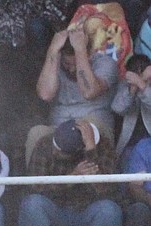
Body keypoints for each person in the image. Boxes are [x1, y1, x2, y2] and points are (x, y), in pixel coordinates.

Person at [28, 25, 120, 162]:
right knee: (36, 133)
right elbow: (45, 94)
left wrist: (80, 51)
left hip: (95, 126)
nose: (72, 69)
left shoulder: (105, 63)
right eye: (67, 63)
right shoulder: (55, 64)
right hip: (59, 128)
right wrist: (52, 50)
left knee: (88, 125)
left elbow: (89, 92)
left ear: (89, 53)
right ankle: (38, 184)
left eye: (76, 63)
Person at [112, 52, 151, 156]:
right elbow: (118, 108)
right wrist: (132, 89)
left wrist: (142, 84)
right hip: (129, 146)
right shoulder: (125, 85)